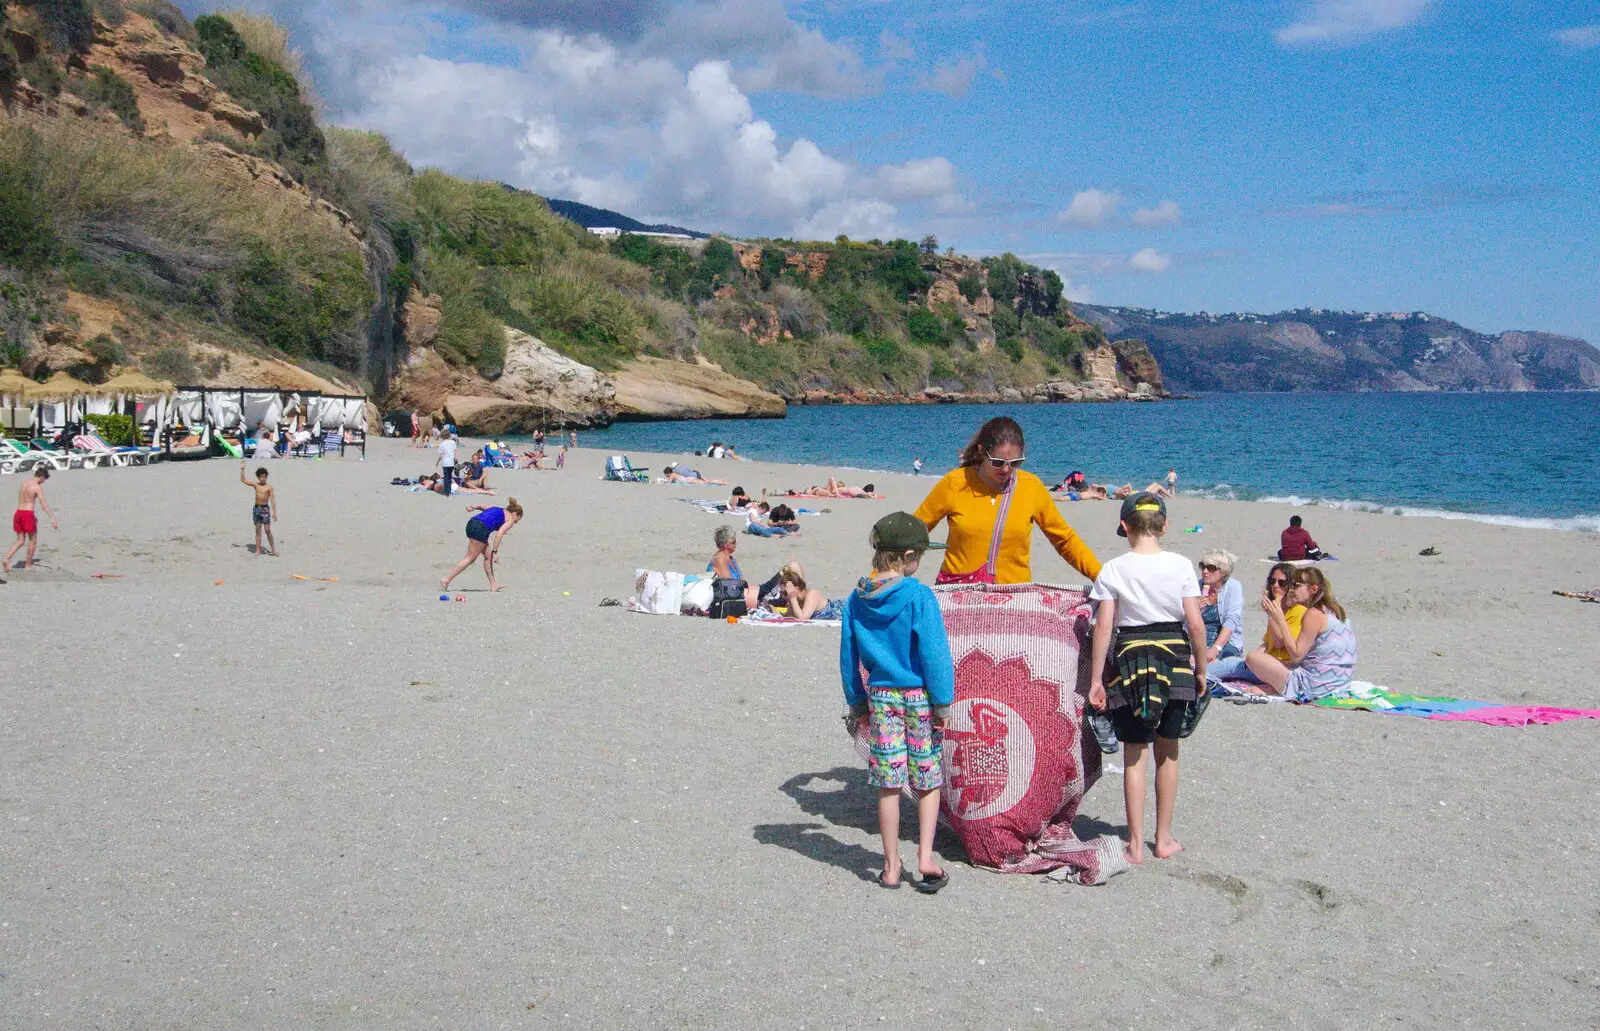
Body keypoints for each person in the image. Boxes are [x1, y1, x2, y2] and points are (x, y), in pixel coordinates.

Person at [1086, 492, 1207, 864]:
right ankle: (1164, 838)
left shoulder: (1114, 568)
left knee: (1134, 756)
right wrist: (1201, 669)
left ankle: (1135, 844)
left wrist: (1095, 680)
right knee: (1168, 752)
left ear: (1125, 527)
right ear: (1165, 525)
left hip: (1131, 662)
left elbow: (1104, 626)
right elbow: (1196, 623)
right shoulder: (1181, 564)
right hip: (1174, 661)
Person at [840, 512, 955, 893]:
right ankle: (924, 856)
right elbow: (935, 653)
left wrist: (857, 702)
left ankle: (890, 866)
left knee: (888, 783)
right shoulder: (918, 596)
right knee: (927, 777)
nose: (920, 561)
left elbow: (848, 657)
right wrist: (942, 702)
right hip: (919, 698)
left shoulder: (856, 601)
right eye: (919, 554)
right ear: (906, 555)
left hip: (881, 697)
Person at [914, 416, 1101, 584]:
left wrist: (1100, 576)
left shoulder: (1032, 487)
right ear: (981, 451)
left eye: (1015, 463)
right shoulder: (955, 483)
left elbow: (1065, 540)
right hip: (958, 594)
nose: (1006, 470)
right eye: (997, 462)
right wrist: (886, 567)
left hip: (1012, 598)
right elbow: (912, 531)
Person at [1242, 567, 1356, 701]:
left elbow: (1296, 655)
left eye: (1296, 586)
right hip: (1341, 681)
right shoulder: (1334, 611)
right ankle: (1274, 687)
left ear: (1313, 589)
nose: (1291, 590)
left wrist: (1279, 619)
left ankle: (1279, 688)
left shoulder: (1314, 614)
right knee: (1275, 662)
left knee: (1252, 658)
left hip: (1316, 686)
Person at [1208, 562, 1303, 684]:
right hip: (1266, 663)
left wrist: (1272, 614)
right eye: (1272, 581)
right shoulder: (1280, 610)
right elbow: (1268, 644)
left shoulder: (1297, 611)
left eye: (1282, 583)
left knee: (1230, 665)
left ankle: (1194, 676)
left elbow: (1279, 643)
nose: (1275, 586)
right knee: (1232, 663)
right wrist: (1249, 658)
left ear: (1291, 586)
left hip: (1280, 668)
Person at [441, 499, 523, 593]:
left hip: (471, 523)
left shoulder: (497, 509)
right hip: (481, 529)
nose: (515, 523)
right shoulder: (511, 519)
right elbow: (499, 534)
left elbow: (480, 506)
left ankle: (493, 584)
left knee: (488, 557)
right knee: (470, 558)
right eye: (517, 520)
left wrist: (472, 507)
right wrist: (495, 551)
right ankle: (446, 579)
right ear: (515, 514)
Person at [6, 467, 58, 571]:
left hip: (18, 513)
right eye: (44, 480)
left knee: (20, 541)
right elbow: (43, 505)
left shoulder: (24, 484)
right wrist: (52, 518)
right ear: (42, 477)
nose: (43, 482)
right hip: (28, 514)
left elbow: (23, 501)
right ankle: (28, 565)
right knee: (33, 540)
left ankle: (6, 558)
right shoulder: (37, 487)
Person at [1197, 549, 1244, 665]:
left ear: (1223, 572)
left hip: (1225, 642)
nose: (1205, 571)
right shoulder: (1196, 586)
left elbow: (1231, 620)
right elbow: (1184, 621)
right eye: (1203, 566)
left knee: (1215, 664)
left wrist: (1216, 648)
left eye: (1211, 568)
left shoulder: (1233, 587)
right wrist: (1195, 609)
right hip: (1199, 639)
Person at [708, 524, 758, 610]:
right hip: (729, 597)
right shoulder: (719, 560)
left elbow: (741, 580)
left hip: (738, 594)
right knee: (769, 588)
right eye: (734, 542)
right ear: (726, 545)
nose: (736, 544)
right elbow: (729, 584)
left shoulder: (731, 558)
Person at [240, 462, 278, 557]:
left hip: (265, 509)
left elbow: (272, 500)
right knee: (258, 530)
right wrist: (242, 469)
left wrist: (274, 513)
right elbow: (244, 480)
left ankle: (273, 549)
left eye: (265, 477)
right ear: (258, 477)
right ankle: (258, 550)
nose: (263, 478)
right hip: (257, 508)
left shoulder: (269, 487)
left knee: (267, 530)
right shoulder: (256, 485)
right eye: (261, 477)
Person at [435, 432, 458, 496]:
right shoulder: (453, 442)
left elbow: (441, 456)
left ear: (442, 436)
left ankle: (447, 492)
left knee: (446, 477)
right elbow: (455, 452)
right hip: (451, 462)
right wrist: (456, 460)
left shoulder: (441, 444)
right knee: (450, 476)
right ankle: (449, 490)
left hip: (445, 463)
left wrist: (437, 462)